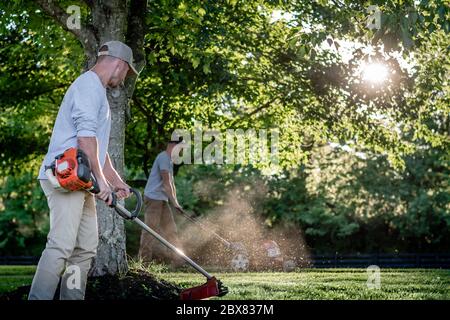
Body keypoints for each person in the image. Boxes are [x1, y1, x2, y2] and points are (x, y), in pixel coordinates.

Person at [29, 41, 139, 300]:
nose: (124, 78)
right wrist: (101, 182)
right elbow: (85, 139)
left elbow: (97, 150)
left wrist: (115, 181)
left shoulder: (97, 90)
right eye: (126, 72)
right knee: (61, 246)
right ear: (119, 64)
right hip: (66, 177)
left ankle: (72, 297)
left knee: (85, 249)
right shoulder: (88, 85)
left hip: (83, 182)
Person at [138, 137, 185, 267]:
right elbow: (166, 183)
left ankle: (179, 261)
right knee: (150, 231)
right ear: (172, 145)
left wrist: (176, 202)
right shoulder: (163, 158)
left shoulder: (169, 160)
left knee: (171, 230)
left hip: (162, 199)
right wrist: (174, 203)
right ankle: (144, 263)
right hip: (153, 198)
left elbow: (171, 184)